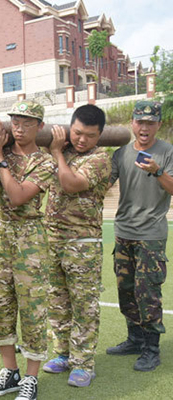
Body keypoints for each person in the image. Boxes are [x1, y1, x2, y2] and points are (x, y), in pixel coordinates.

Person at [0, 100, 54, 400]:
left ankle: (30, 378)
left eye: (27, 122)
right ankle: (10, 373)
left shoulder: (45, 162)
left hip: (30, 239)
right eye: (15, 121)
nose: (19, 127)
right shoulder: (0, 147)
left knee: (32, 309)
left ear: (39, 126)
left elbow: (17, 196)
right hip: (1, 236)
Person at [42, 105, 111, 387]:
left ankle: (84, 363)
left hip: (82, 243)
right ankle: (62, 353)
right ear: (71, 127)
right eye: (78, 133)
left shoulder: (101, 159)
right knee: (57, 302)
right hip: (52, 239)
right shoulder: (63, 147)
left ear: (100, 136)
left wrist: (57, 152)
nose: (82, 140)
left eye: (90, 136)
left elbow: (71, 184)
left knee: (84, 306)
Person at [107, 100, 173, 372]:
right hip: (123, 232)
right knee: (126, 290)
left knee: (148, 293)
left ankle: (151, 348)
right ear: (132, 123)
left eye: (150, 122)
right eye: (140, 122)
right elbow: (104, 183)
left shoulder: (167, 152)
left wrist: (157, 171)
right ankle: (134, 339)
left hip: (151, 234)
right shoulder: (121, 153)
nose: (144, 127)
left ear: (158, 124)